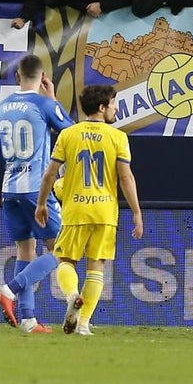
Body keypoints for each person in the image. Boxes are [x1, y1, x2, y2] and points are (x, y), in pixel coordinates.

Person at [35, 84, 143, 336]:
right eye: (114, 103)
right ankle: (82, 324)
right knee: (96, 266)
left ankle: (72, 295)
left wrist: (41, 203)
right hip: (105, 212)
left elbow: (50, 173)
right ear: (102, 107)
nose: (116, 108)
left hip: (76, 209)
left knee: (66, 260)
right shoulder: (118, 137)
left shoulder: (69, 134)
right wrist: (136, 211)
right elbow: (125, 177)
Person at [0, 54, 73, 333]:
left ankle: (28, 319)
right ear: (43, 76)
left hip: (9, 188)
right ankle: (9, 291)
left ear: (17, 76)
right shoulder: (43, 104)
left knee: (25, 251)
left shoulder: (2, 106)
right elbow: (72, 133)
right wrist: (55, 100)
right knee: (62, 249)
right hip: (36, 190)